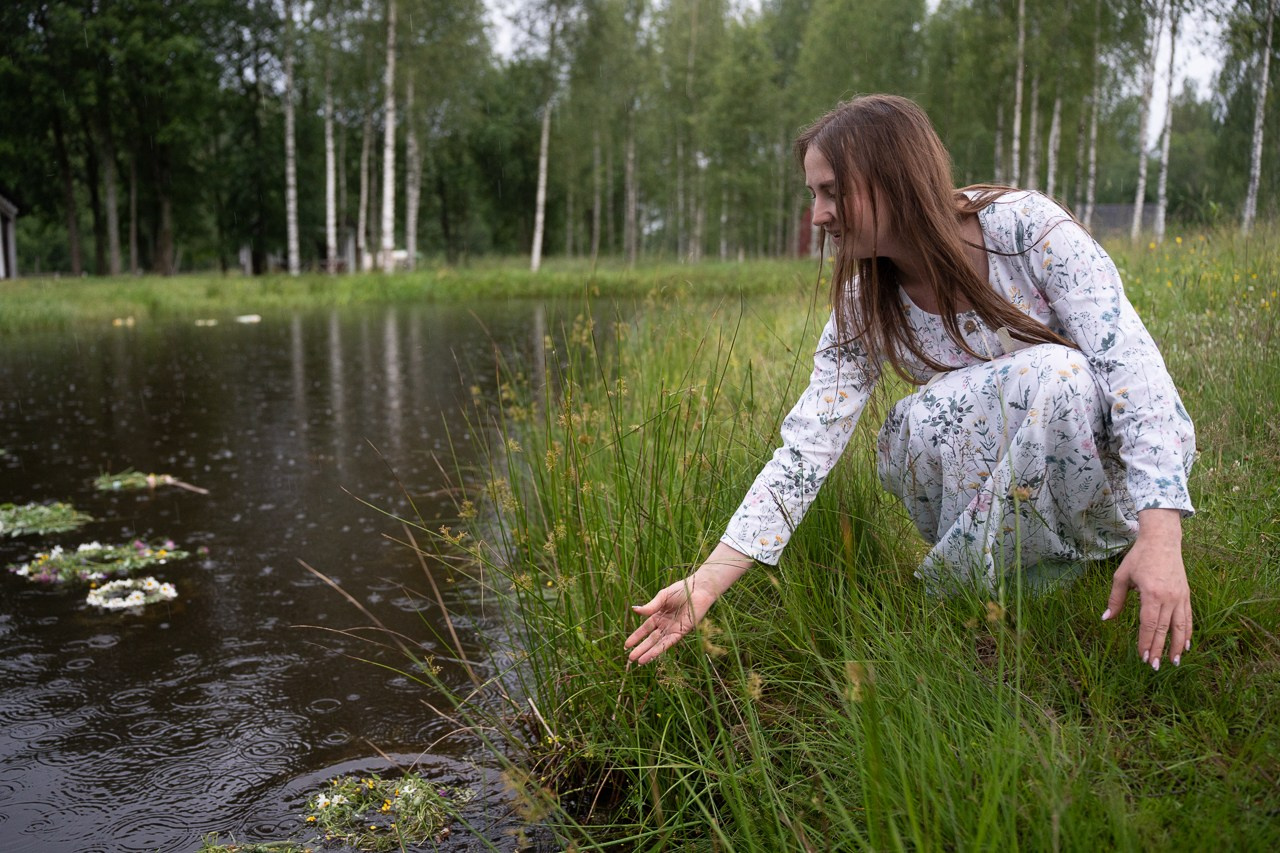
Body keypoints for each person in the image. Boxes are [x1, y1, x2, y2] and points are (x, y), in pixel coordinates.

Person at [624, 94, 1195, 672]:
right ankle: (1002, 581)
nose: (818, 215)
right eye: (812, 194)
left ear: (893, 181)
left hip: (1104, 476)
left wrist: (1163, 536)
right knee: (912, 426)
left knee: (1059, 373)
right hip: (1001, 485)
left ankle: (1032, 567)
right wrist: (707, 580)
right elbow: (808, 445)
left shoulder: (1025, 229)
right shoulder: (863, 296)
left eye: (831, 192)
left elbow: (1135, 372)